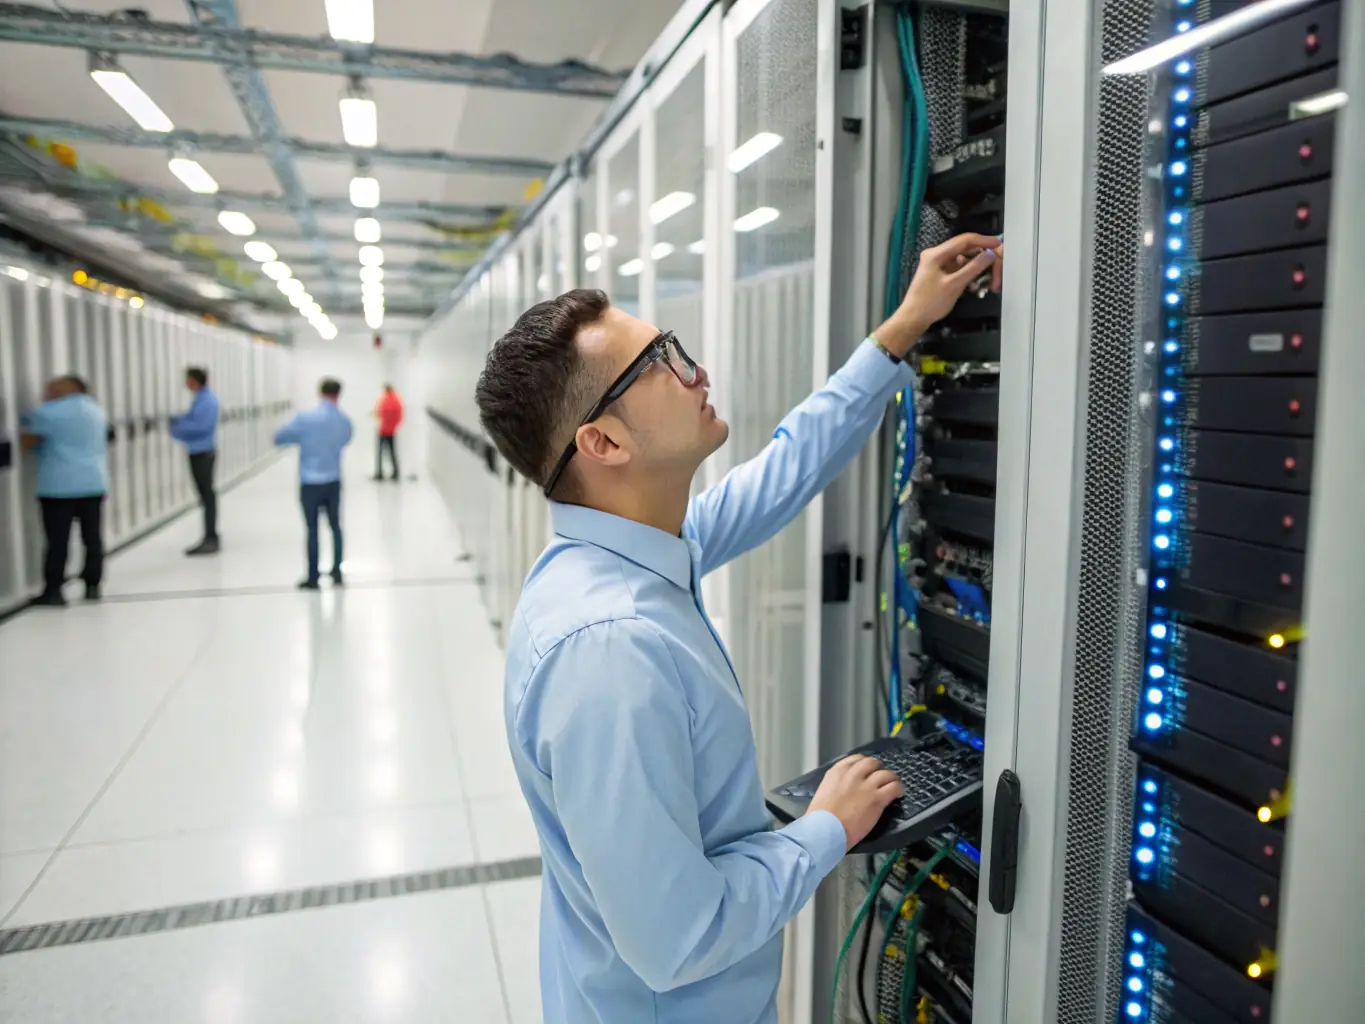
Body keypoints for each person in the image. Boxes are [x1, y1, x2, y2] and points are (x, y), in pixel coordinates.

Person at [473, 232, 1004, 1023]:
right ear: (603, 442)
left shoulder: (626, 554)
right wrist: (825, 828)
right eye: (657, 363)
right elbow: (678, 941)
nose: (693, 371)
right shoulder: (609, 651)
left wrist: (902, 330)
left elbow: (780, 475)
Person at [20, 375, 109, 606]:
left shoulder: (48, 412)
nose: (47, 390)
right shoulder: (96, 410)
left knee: (57, 541)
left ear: (68, 388)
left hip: (58, 486)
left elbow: (28, 441)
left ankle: (54, 591)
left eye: (51, 387)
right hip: (92, 482)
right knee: (92, 538)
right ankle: (92, 586)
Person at [274, 377, 354, 589]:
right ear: (339, 394)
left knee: (312, 529)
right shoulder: (344, 421)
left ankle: (312, 577)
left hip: (309, 482)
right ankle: (337, 572)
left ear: (320, 393)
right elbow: (346, 440)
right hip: (333, 481)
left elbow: (280, 437)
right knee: (335, 526)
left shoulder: (305, 419)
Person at [171, 366, 221, 556]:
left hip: (203, 453)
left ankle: (211, 538)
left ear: (194, 380)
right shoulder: (201, 399)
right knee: (206, 496)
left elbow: (201, 426)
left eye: (188, 379)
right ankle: (210, 536)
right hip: (200, 451)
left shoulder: (207, 400)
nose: (186, 384)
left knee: (207, 496)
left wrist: (176, 429)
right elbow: (193, 420)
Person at [372, 383, 404, 481]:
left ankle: (379, 474)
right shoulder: (397, 401)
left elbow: (379, 412)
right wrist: (394, 426)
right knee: (392, 452)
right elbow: (399, 416)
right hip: (392, 431)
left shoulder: (384, 400)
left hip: (383, 430)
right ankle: (396, 473)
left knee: (380, 453)